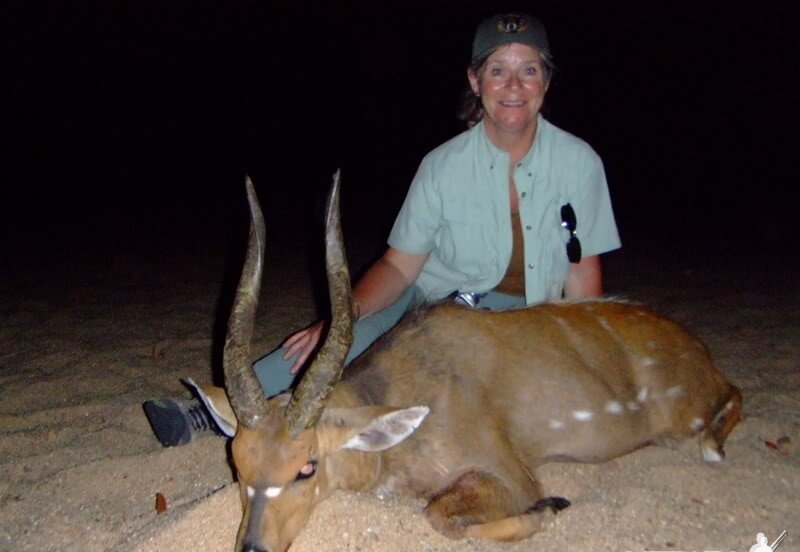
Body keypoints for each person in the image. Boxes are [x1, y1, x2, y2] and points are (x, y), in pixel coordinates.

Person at [143, 12, 621, 446]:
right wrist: (342, 315)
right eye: (498, 70)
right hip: (431, 302)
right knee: (340, 338)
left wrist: (587, 355)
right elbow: (398, 265)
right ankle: (208, 413)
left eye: (529, 69)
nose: (513, 85)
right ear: (475, 81)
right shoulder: (441, 166)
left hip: (523, 322)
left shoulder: (579, 164)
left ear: (547, 80)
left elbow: (583, 279)